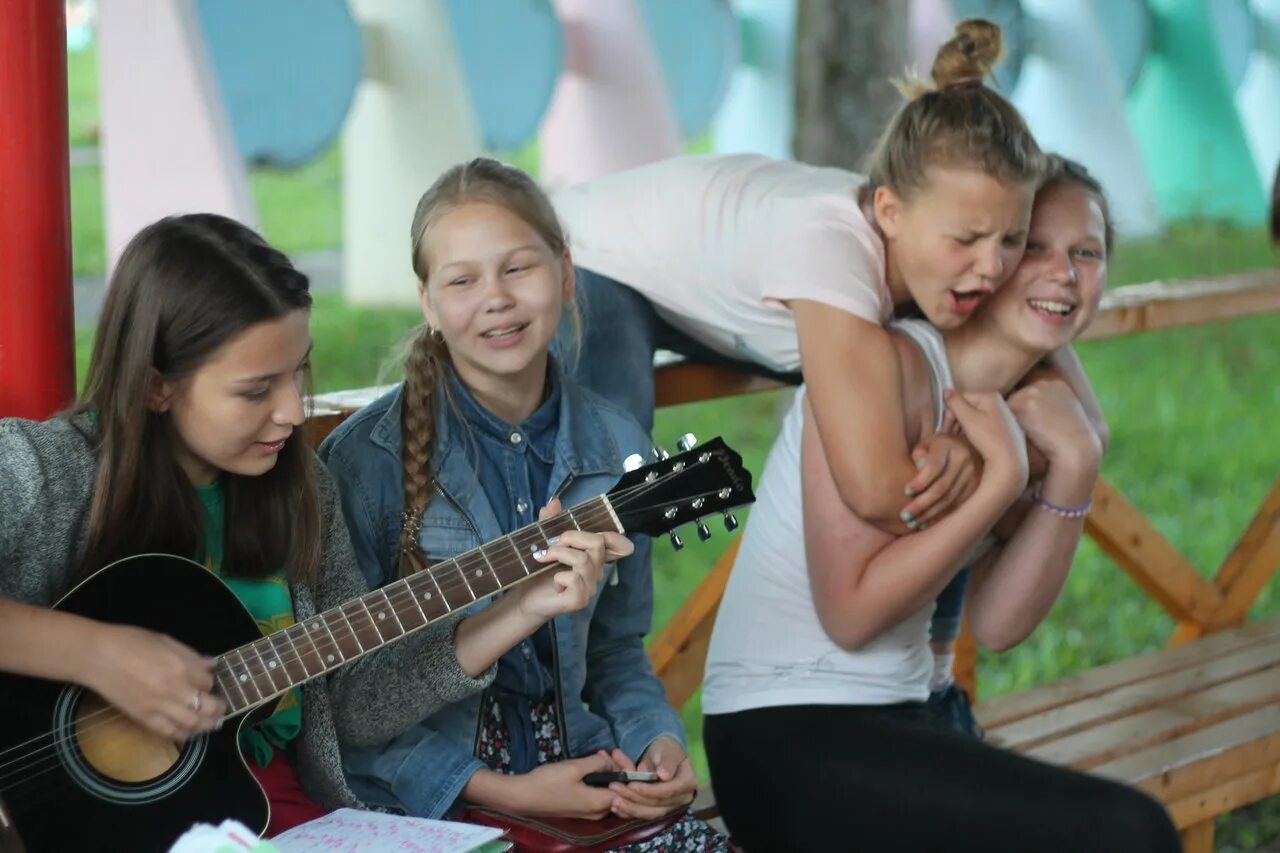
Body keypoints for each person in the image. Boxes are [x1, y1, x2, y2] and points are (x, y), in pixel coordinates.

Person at [553, 20, 1105, 732]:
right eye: (969, 241)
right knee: (615, 480)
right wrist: (986, 456)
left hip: (724, 287)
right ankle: (610, 703)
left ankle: (932, 681)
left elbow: (1053, 378)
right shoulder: (834, 257)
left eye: (1012, 241)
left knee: (940, 385)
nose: (993, 267)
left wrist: (1076, 436)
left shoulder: (933, 242)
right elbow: (879, 493)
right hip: (596, 260)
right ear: (889, 213)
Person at [0, 213, 612, 837]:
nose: (292, 410)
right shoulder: (46, 472)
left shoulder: (302, 489)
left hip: (272, 810)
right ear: (158, 387)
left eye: (297, 373)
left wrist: (520, 608)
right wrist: (98, 655)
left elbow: (353, 706)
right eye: (257, 389)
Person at [699, 159, 1181, 851]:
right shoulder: (882, 371)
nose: (1065, 273)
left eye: (1087, 252)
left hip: (902, 717)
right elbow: (850, 614)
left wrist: (1076, 465)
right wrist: (999, 479)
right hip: (787, 732)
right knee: (1130, 832)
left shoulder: (1035, 411)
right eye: (1034, 247)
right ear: (990, 259)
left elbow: (998, 622)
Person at [320, 159, 723, 847]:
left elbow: (618, 647)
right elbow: (344, 704)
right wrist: (499, 789)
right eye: (462, 280)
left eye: (518, 268)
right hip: (427, 802)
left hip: (583, 777)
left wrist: (656, 737)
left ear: (565, 275)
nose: (497, 298)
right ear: (428, 303)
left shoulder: (615, 441)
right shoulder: (368, 463)